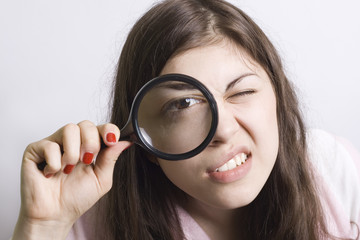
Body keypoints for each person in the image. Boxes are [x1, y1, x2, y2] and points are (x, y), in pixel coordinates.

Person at [11, 0, 360, 239]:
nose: (223, 130)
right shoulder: (87, 221)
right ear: (146, 142)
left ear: (279, 101)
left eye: (241, 92)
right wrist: (42, 227)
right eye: (184, 105)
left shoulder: (332, 169)